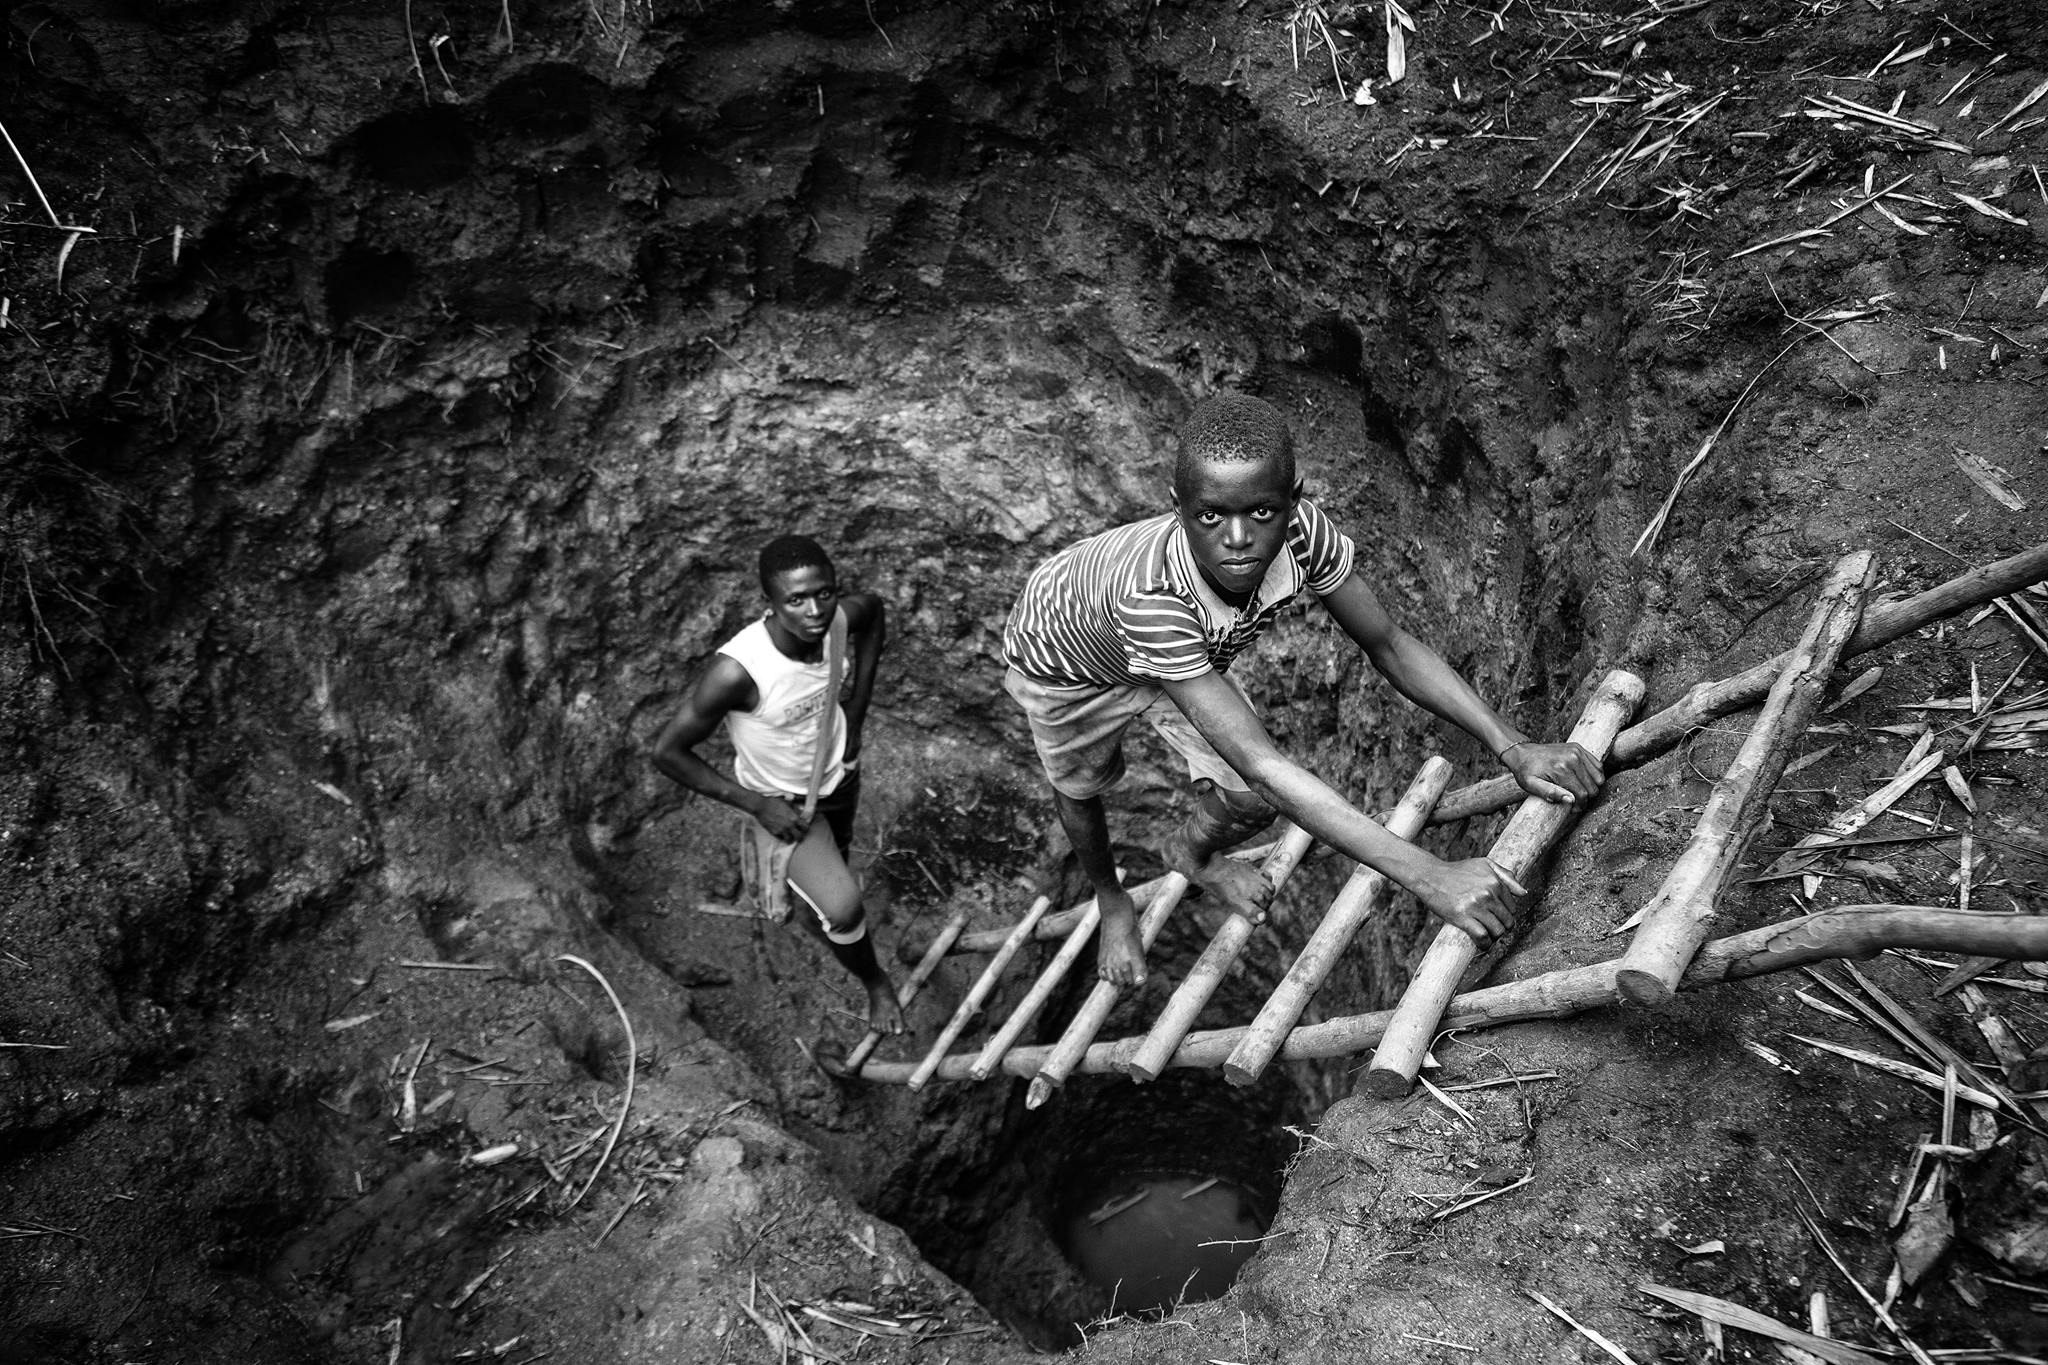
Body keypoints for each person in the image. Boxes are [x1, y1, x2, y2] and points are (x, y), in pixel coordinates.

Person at [1002, 391, 1605, 985]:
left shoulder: (1303, 535)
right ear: (1177, 506)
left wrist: (1513, 745)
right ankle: (1111, 902)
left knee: (1251, 800)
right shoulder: (1154, 600)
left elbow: (1388, 642)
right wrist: (1429, 875)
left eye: (1260, 512)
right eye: (1210, 515)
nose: (1237, 538)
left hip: (1178, 657)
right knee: (1079, 788)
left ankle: (1191, 857)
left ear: (1292, 501)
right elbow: (1264, 762)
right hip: (1065, 663)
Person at [651, 534, 905, 1033]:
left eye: (824, 594)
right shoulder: (739, 672)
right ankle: (876, 982)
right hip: (786, 809)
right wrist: (756, 805)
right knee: (845, 906)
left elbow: (872, 611)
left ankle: (815, 895)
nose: (814, 611)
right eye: (795, 600)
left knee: (840, 856)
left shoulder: (836, 620)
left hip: (837, 778)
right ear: (769, 603)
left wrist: (858, 705)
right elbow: (668, 753)